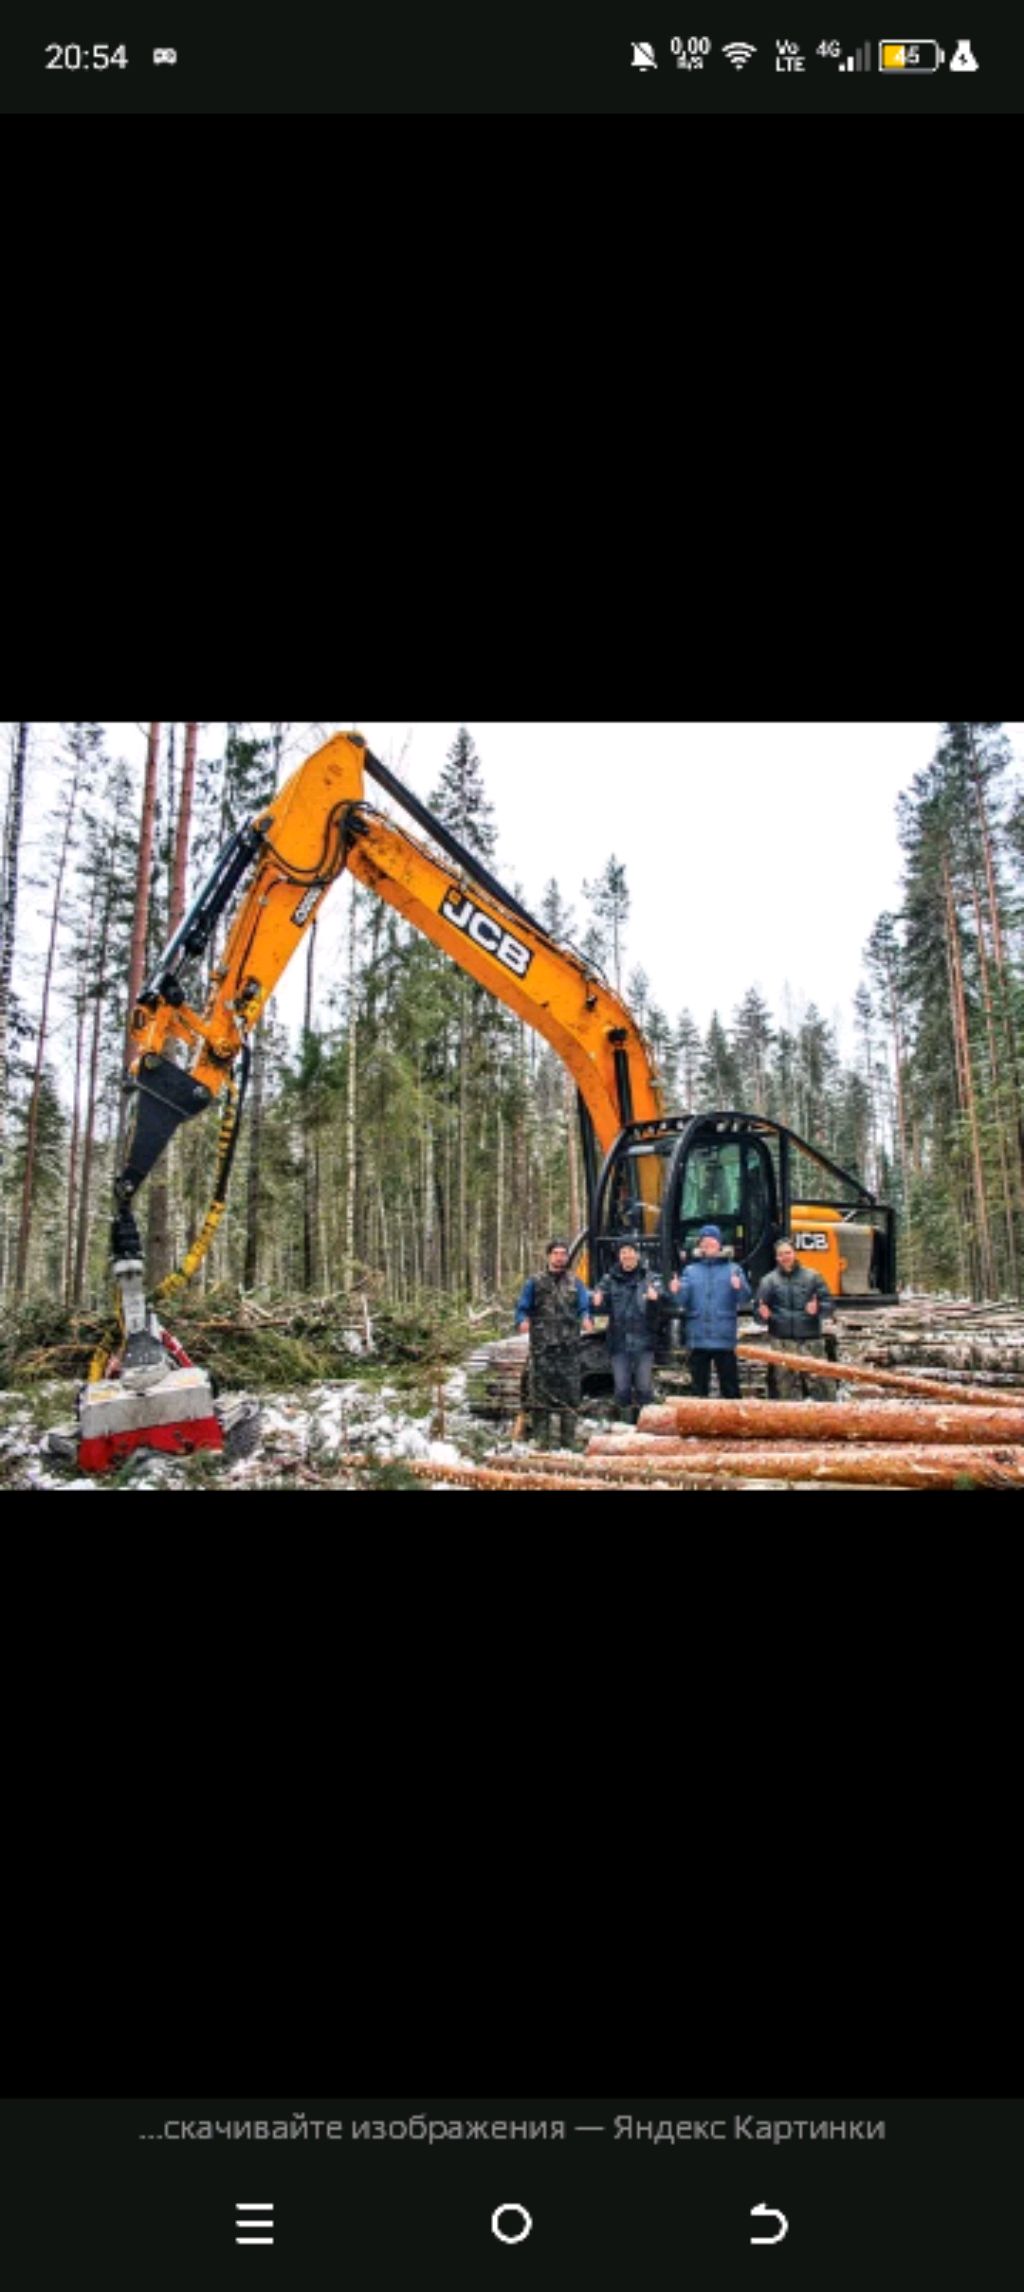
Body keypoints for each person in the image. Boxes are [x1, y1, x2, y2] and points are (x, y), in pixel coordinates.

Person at [515, 1241, 594, 1449]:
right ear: (549, 1256)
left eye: (563, 1254)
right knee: (540, 1394)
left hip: (569, 1349)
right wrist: (522, 1320)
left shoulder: (575, 1283)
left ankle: (568, 1441)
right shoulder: (535, 1282)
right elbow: (522, 1307)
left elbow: (584, 1307)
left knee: (570, 1394)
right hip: (543, 1349)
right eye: (556, 1253)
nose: (560, 1257)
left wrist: (587, 1318)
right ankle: (542, 1440)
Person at [669, 1223, 752, 1398]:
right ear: (700, 1246)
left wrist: (739, 1287)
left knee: (730, 1387)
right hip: (698, 1338)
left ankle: (733, 1415)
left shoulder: (733, 1269)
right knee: (698, 1389)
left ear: (719, 1244)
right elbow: (681, 1301)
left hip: (723, 1337)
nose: (708, 1246)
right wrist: (676, 1290)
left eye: (712, 1242)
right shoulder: (690, 1271)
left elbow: (744, 1298)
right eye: (704, 1243)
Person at [752, 1236, 836, 1400]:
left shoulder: (813, 1277)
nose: (785, 1257)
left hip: (811, 1341)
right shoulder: (768, 1281)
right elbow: (758, 1311)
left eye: (788, 1253)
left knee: (822, 1386)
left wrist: (818, 1308)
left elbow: (829, 1305)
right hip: (782, 1342)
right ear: (776, 1257)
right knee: (784, 1389)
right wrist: (762, 1315)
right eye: (781, 1254)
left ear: (794, 1253)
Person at [590, 1243, 661, 1423]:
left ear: (637, 1255)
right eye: (623, 1252)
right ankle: (624, 1426)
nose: (627, 1256)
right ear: (619, 1256)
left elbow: (664, 1301)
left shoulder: (650, 1278)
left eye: (630, 1252)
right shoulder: (608, 1279)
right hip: (618, 1342)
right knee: (622, 1389)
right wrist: (596, 1303)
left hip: (644, 1342)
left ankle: (645, 1426)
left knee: (644, 1388)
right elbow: (599, 1304)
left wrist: (656, 1299)